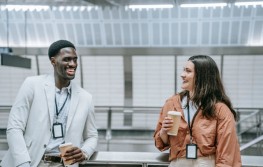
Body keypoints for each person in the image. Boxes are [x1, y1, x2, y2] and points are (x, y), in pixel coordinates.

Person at [1, 40, 98, 167]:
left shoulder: (86, 98)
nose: (73, 64)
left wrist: (85, 152)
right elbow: (14, 127)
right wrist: (23, 163)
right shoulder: (32, 85)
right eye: (67, 59)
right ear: (53, 61)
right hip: (29, 162)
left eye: (75, 59)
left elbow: (92, 135)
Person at [153, 55, 241, 167]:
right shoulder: (172, 103)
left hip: (205, 162)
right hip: (178, 162)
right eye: (183, 70)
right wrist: (163, 132)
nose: (182, 75)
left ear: (202, 76)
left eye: (188, 71)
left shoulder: (220, 110)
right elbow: (161, 143)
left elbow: (227, 152)